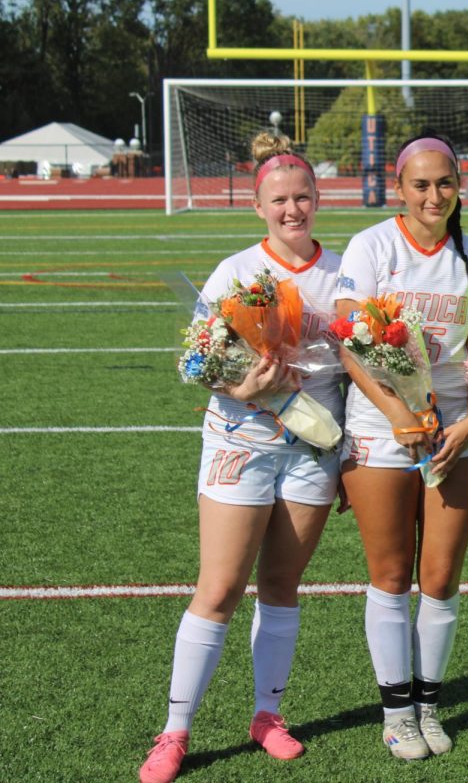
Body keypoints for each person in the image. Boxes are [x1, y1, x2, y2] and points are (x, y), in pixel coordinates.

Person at [140, 134, 342, 783]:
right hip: (242, 444)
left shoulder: (342, 271)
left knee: (282, 587)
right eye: (279, 200)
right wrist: (240, 387)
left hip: (312, 450)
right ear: (258, 206)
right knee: (221, 588)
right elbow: (196, 359)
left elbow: (353, 365)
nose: (293, 209)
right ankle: (174, 731)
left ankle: (267, 716)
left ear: (318, 199)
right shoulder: (235, 272)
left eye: (303, 196)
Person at [335, 132, 468, 761]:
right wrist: (398, 414)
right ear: (399, 188)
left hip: (454, 434)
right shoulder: (373, 244)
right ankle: (396, 711)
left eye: (445, 183)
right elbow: (351, 342)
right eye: (421, 185)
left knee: (441, 576)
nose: (435, 195)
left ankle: (428, 706)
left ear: (460, 186)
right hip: (382, 430)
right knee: (391, 573)